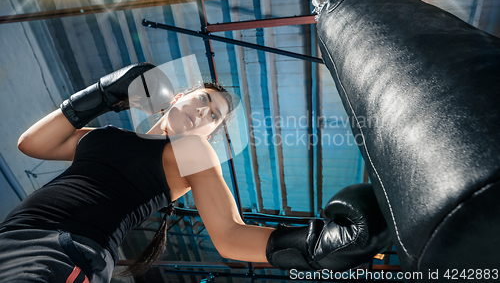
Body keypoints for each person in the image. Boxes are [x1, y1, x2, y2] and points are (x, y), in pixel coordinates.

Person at [0, 63, 391, 283]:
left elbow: (231, 235)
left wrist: (316, 246)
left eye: (214, 116)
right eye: (203, 99)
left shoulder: (189, 151)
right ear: (182, 95)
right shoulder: (106, 134)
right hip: (11, 234)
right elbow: (32, 144)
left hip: (67, 250)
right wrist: (104, 94)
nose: (203, 111)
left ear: (210, 134)